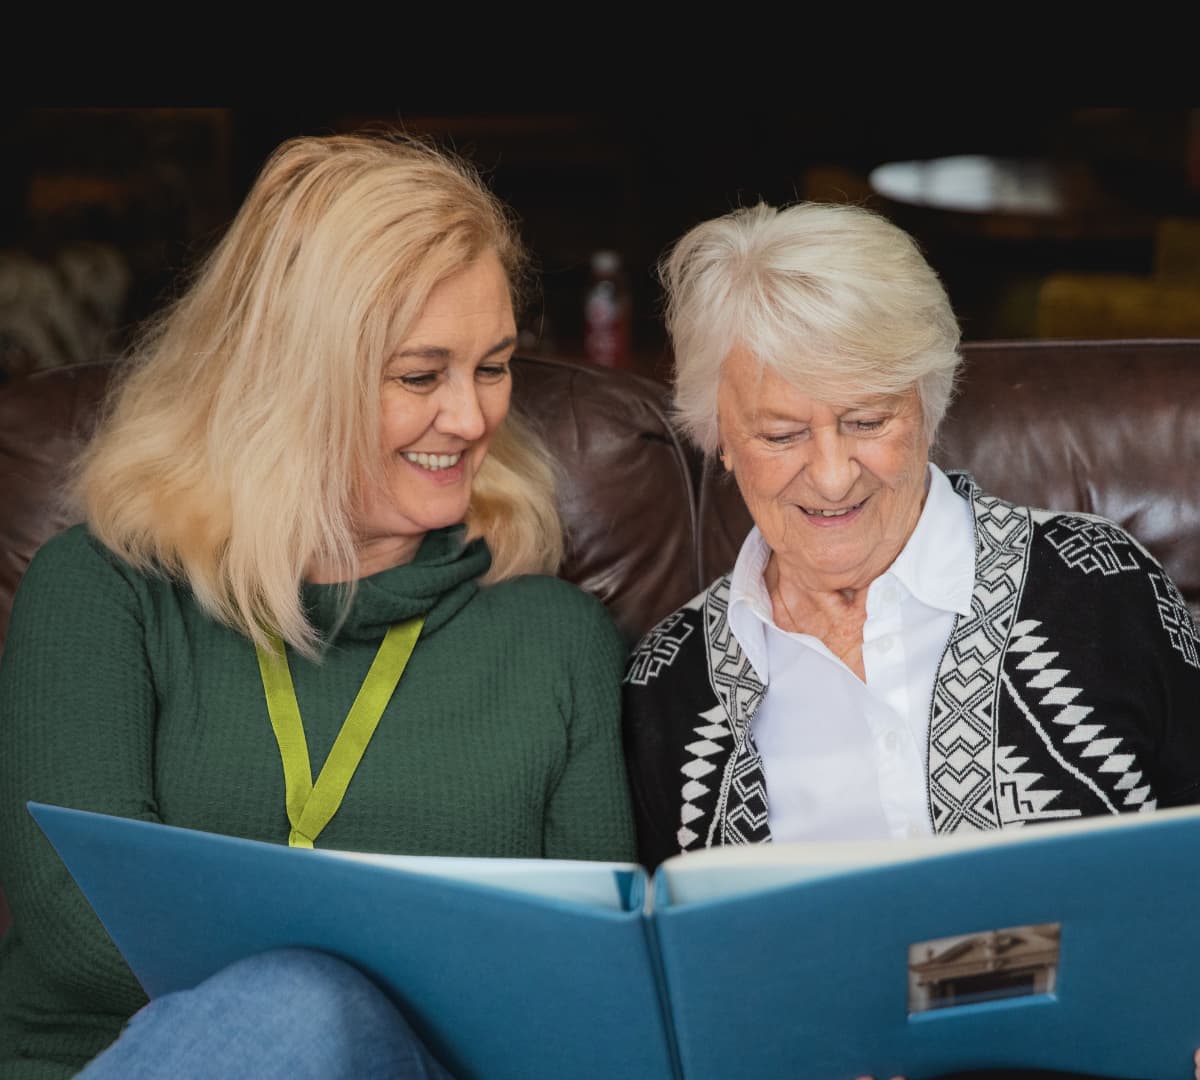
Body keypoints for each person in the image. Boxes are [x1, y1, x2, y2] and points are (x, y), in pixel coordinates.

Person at [0, 133, 635, 1079]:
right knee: (292, 1007)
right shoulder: (103, 594)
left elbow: (587, 989)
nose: (469, 418)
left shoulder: (554, 639)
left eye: (493, 366)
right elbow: (80, 929)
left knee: (308, 1005)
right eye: (420, 376)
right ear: (290, 381)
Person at [621, 201, 1200, 1079]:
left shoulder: (1098, 588)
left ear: (928, 405)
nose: (829, 473)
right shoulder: (670, 683)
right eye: (780, 433)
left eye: (866, 421)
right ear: (722, 442)